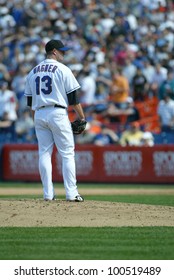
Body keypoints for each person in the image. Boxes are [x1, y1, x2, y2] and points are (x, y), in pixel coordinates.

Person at [25, 39, 86, 202]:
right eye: (61, 51)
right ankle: (71, 193)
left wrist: (37, 120)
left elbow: (30, 104)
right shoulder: (63, 69)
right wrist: (82, 117)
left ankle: (48, 194)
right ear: (53, 51)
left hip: (39, 113)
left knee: (44, 153)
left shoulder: (33, 71)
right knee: (67, 153)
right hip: (57, 112)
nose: (63, 53)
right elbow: (73, 99)